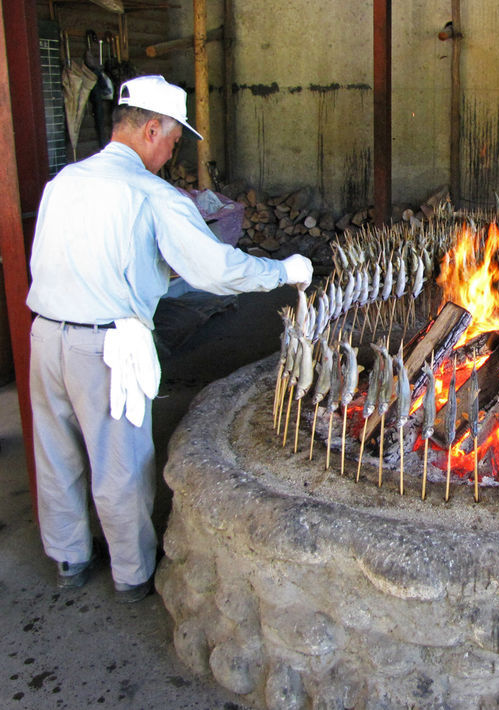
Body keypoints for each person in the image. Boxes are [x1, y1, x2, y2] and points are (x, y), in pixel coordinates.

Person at [26, 75, 313, 602]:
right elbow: (216, 270)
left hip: (44, 336)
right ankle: (132, 573)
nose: (171, 152)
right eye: (173, 141)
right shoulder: (148, 193)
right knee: (120, 462)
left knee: (56, 453)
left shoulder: (64, 181)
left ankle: (68, 556)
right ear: (151, 128)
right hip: (105, 346)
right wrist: (283, 271)